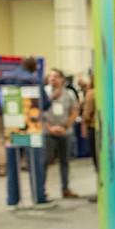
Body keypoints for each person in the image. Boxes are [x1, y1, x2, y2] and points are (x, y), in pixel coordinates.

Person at [0, 57, 51, 207]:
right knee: (35, 162)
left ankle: (12, 199)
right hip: (32, 126)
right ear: (34, 67)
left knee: (12, 164)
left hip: (12, 125)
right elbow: (45, 103)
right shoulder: (34, 80)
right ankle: (39, 197)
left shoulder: (4, 78)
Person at [43, 68, 79, 198]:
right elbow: (38, 113)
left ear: (62, 79)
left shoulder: (69, 93)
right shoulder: (44, 93)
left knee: (65, 162)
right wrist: (50, 127)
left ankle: (65, 189)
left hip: (65, 133)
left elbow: (74, 111)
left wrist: (64, 126)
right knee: (45, 161)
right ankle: (41, 191)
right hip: (48, 132)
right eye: (51, 76)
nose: (53, 78)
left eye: (56, 76)